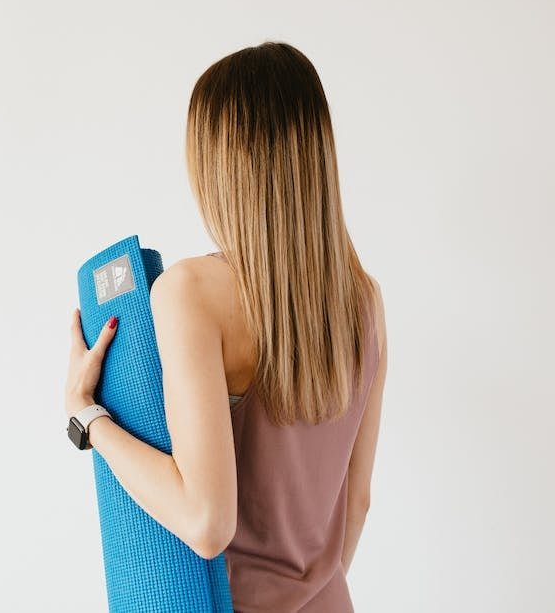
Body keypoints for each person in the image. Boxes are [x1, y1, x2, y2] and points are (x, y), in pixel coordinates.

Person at [63, 41, 387, 612]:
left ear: (217, 166)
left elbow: (207, 521)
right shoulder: (364, 300)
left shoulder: (192, 292)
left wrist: (87, 417)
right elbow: (355, 503)